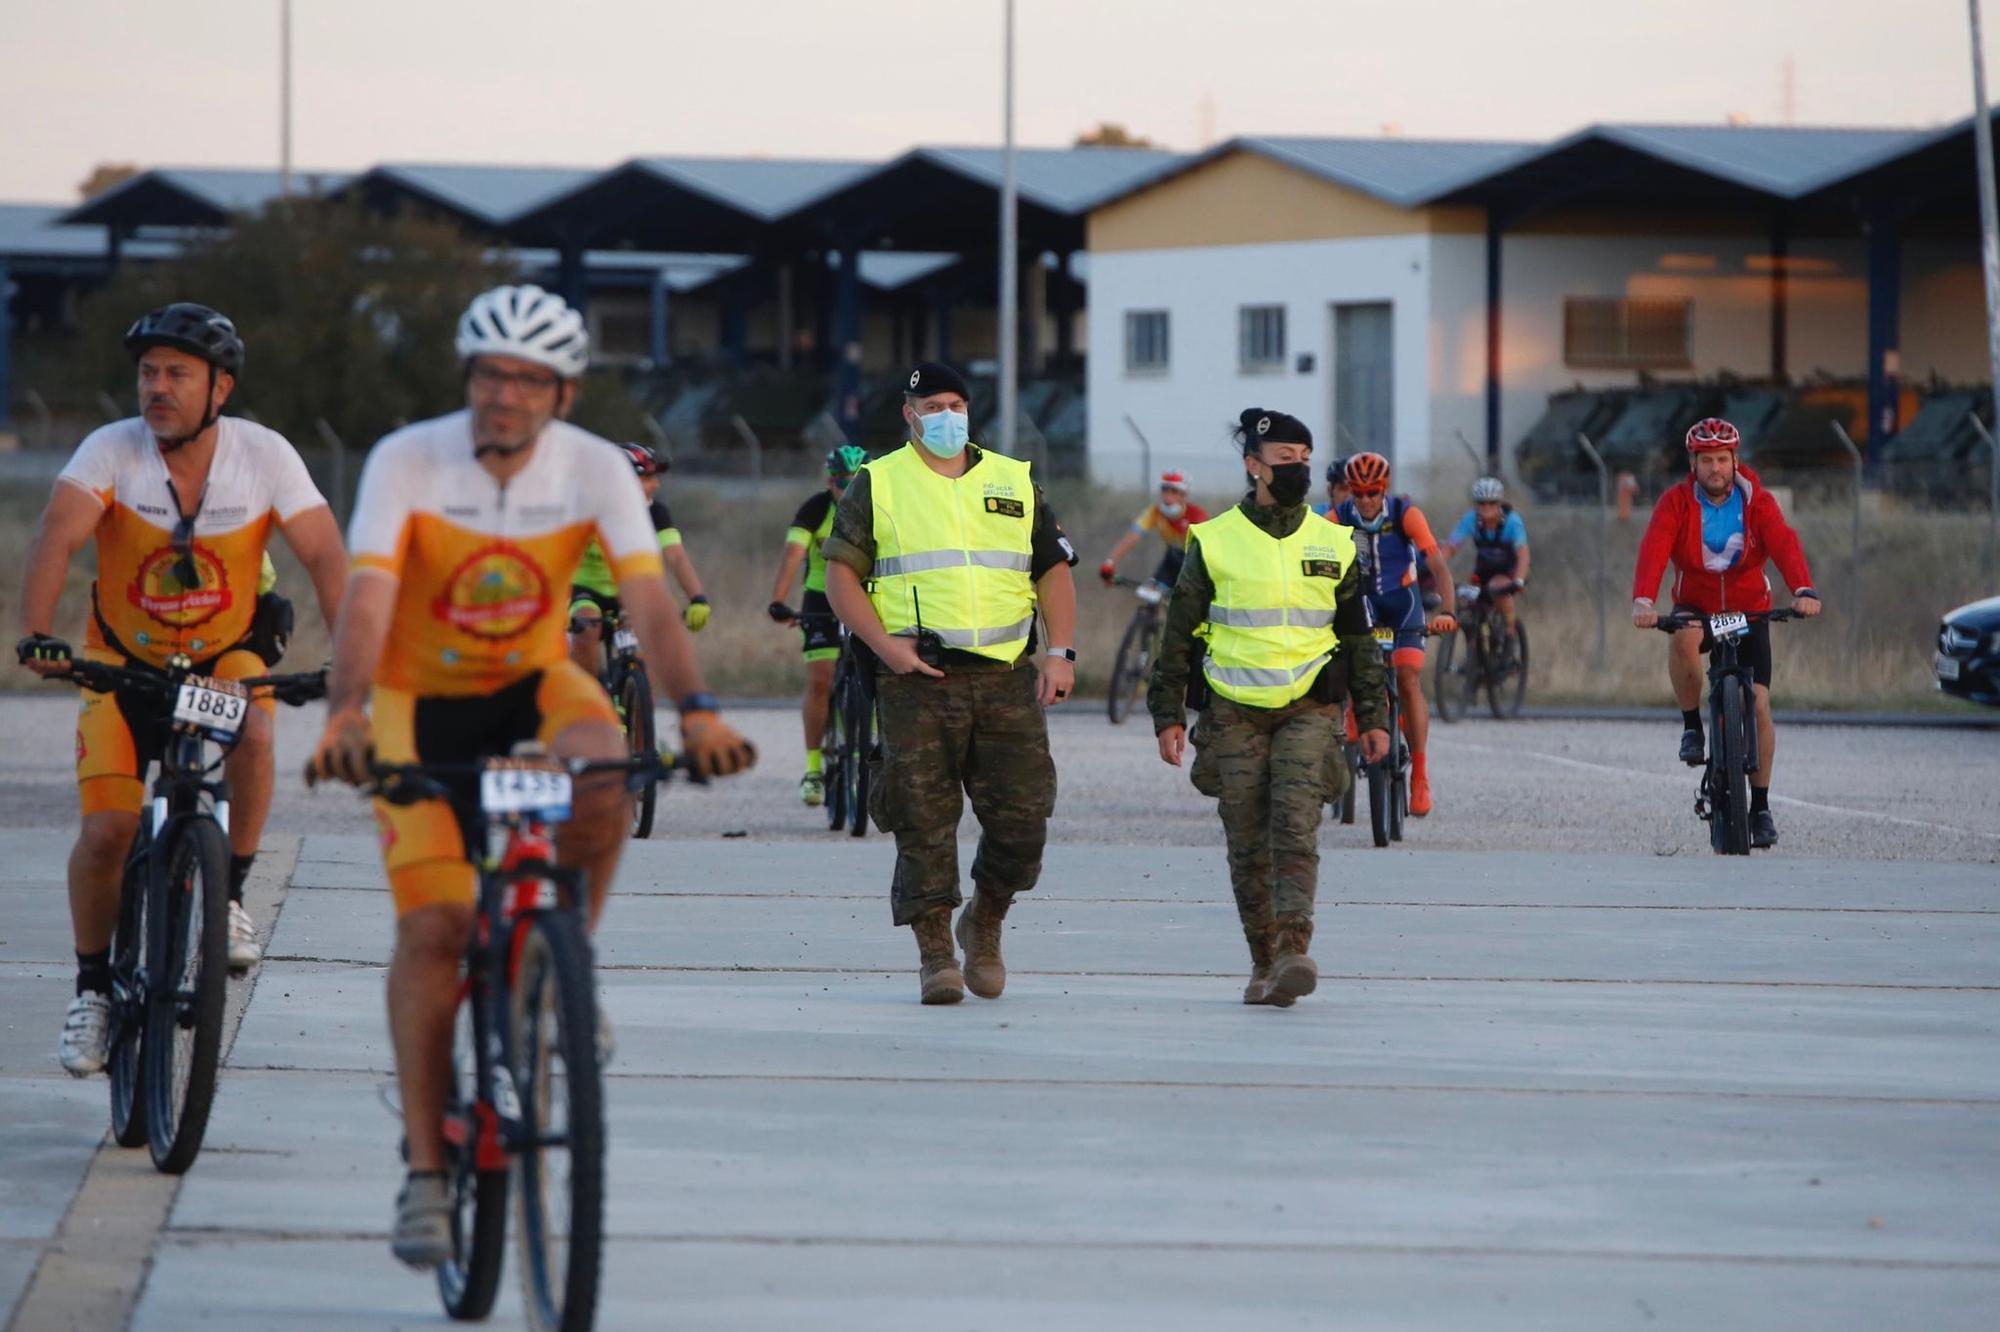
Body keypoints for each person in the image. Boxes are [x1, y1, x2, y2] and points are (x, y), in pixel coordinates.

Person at [301, 283, 755, 1269]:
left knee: (604, 773)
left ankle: (561, 969)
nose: (504, 394)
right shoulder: (408, 459)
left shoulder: (593, 469)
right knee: (437, 926)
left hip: (531, 683)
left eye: (528, 379)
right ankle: (426, 1171)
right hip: (415, 700)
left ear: (564, 391)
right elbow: (369, 599)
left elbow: (650, 599)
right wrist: (344, 714)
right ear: (468, 378)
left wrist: (699, 711)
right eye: (489, 374)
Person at [16, 302, 347, 1076]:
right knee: (107, 834)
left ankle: (231, 892)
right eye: (148, 373)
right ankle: (93, 990)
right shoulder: (110, 451)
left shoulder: (263, 457)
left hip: (223, 654)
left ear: (220, 387)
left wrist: (352, 659)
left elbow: (328, 557)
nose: (157, 388)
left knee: (257, 731)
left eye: (177, 375)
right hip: (123, 662)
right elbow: (56, 536)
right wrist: (37, 632)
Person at [821, 361, 1078, 1005]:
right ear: (909, 413)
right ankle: (936, 953)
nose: (947, 416)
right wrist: (884, 648)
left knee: (1023, 824)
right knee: (922, 820)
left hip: (1007, 679)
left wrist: (1062, 652)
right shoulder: (877, 482)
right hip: (917, 681)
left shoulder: (1013, 479)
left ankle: (985, 921)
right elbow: (840, 577)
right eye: (932, 405)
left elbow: (1052, 568)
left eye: (956, 403)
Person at [1148, 410, 1388, 1006]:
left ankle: (1293, 950)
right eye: (1284, 459)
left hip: (1309, 706)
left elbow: (1358, 638)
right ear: (1253, 465)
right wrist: (1167, 714)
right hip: (1233, 709)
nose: (1298, 469)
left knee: (1295, 823)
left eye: (1305, 459)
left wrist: (1375, 717)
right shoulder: (1214, 540)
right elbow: (1177, 634)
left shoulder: (1333, 541)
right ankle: (1263, 960)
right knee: (1248, 840)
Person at [1631, 417, 1820, 848]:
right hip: (1697, 606)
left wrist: (1803, 589)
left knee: (1758, 702)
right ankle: (1692, 726)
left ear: (1735, 460)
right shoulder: (1675, 503)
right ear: (1693, 463)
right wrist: (1644, 600)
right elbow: (1655, 548)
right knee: (1682, 639)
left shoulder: (1757, 500)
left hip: (1748, 608)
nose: (1715, 468)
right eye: (1706, 460)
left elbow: (1783, 541)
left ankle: (1761, 807)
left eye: (1722, 459)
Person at [1334, 453, 1456, 816]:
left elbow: (1438, 566)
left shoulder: (1406, 513)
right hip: (1364, 602)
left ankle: (1419, 773)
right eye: (1358, 492)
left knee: (1407, 676)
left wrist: (1448, 612)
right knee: (1356, 659)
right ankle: (1358, 709)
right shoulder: (1338, 517)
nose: (1366, 500)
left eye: (1373, 492)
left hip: (1403, 604)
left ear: (1384, 489)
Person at [767, 444, 867, 807]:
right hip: (821, 597)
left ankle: (877, 755)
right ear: (830, 481)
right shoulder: (815, 508)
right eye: (841, 483)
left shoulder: (882, 508)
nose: (847, 490)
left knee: (881, 676)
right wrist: (778, 600)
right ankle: (813, 768)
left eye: (856, 482)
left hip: (866, 596)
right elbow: (794, 554)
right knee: (820, 678)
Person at [568, 440, 709, 679]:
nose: (656, 484)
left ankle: (642, 708)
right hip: (586, 589)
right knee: (588, 629)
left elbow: (675, 555)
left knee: (645, 652)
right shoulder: (587, 509)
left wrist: (698, 598)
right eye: (647, 478)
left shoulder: (656, 512)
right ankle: (591, 698)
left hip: (629, 589)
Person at [1440, 476, 1531, 644]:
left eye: (1492, 503)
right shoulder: (1471, 520)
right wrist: (1437, 568)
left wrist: (1519, 579)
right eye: (1482, 503)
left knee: (1497, 588)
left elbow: (1523, 554)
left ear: (1499, 503)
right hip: (1483, 570)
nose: (1486, 508)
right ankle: (1473, 654)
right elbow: (1451, 546)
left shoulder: (1512, 522)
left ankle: (1510, 634)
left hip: (1510, 571)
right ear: (1476, 504)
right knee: (1466, 602)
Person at [1097, 471, 1208, 590]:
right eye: (1164, 489)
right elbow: (1131, 538)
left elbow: (1207, 550)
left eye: (1174, 491)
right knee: (1151, 596)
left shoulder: (1197, 515)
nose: (1168, 494)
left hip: (1194, 565)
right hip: (1171, 560)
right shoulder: (1155, 512)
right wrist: (1109, 563)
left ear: (1183, 495)